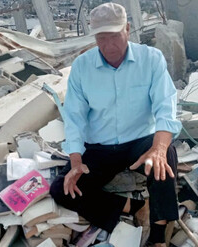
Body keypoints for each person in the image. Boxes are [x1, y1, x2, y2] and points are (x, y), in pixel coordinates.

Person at [50, 2, 182, 246]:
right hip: (99, 147)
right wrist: (76, 161)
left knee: (165, 158)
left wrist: (159, 148)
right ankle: (133, 207)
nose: (109, 46)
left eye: (114, 37)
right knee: (62, 189)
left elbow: (166, 106)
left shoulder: (150, 59)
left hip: (138, 142)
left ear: (128, 29)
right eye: (102, 38)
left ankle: (157, 236)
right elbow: (75, 117)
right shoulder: (82, 67)